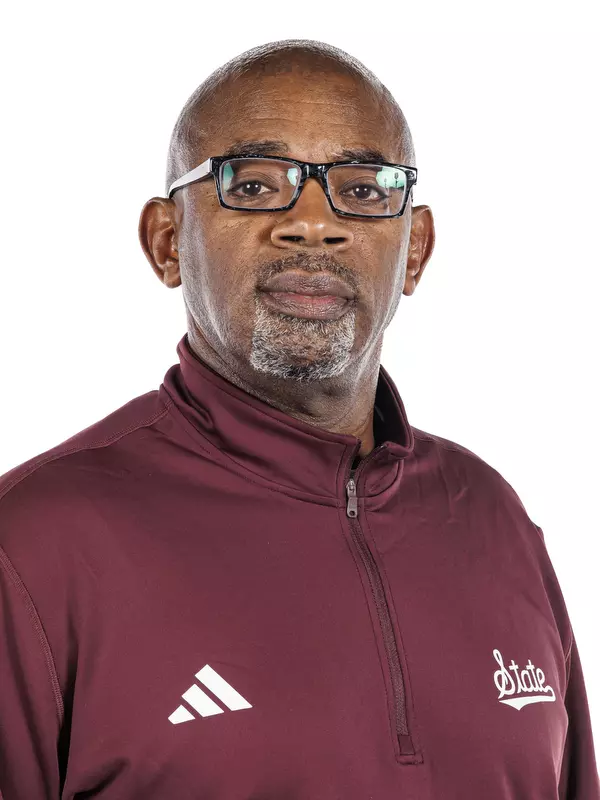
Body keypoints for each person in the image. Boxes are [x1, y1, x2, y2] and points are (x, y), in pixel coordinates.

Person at [0, 38, 597, 800]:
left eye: (365, 188)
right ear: (165, 242)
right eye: (252, 186)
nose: (313, 224)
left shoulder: (496, 522)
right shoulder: (32, 546)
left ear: (413, 251)